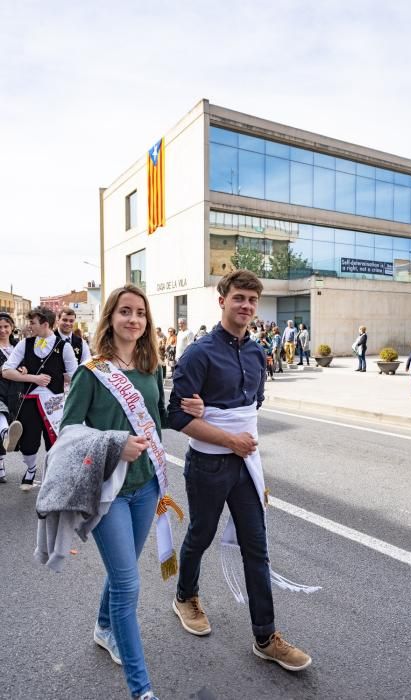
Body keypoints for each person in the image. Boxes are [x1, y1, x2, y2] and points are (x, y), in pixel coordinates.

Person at [59, 284, 204, 700]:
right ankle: (142, 691)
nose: (133, 319)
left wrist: (191, 411)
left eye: (140, 313)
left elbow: (158, 419)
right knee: (128, 584)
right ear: (111, 317)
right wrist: (112, 443)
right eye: (125, 311)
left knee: (123, 572)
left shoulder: (150, 368)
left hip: (145, 488)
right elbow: (68, 435)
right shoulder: (92, 373)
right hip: (108, 491)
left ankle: (105, 629)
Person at [168, 269, 313, 673]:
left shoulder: (256, 352)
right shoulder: (199, 353)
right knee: (201, 534)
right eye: (239, 298)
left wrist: (234, 434)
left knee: (257, 547)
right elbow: (174, 415)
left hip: (246, 466)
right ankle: (185, 596)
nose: (246, 306)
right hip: (209, 465)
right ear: (222, 301)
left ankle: (266, 637)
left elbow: (253, 404)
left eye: (252, 300)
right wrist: (227, 437)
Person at [2, 306, 78, 490]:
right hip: (29, 399)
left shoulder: (64, 347)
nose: (29, 326)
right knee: (28, 442)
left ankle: (52, 476)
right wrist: (32, 378)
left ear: (45, 324)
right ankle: (31, 469)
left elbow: (75, 375)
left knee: (55, 441)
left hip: (55, 403)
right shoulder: (24, 344)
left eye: (32, 323)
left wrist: (65, 379)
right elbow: (6, 371)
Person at [0, 313, 25, 483]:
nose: (2, 330)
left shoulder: (20, 346)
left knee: (6, 418)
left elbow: (29, 363)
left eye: (5, 326)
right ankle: (5, 433)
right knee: (0, 413)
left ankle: (5, 434)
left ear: (11, 327)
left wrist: (24, 368)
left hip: (15, 392)